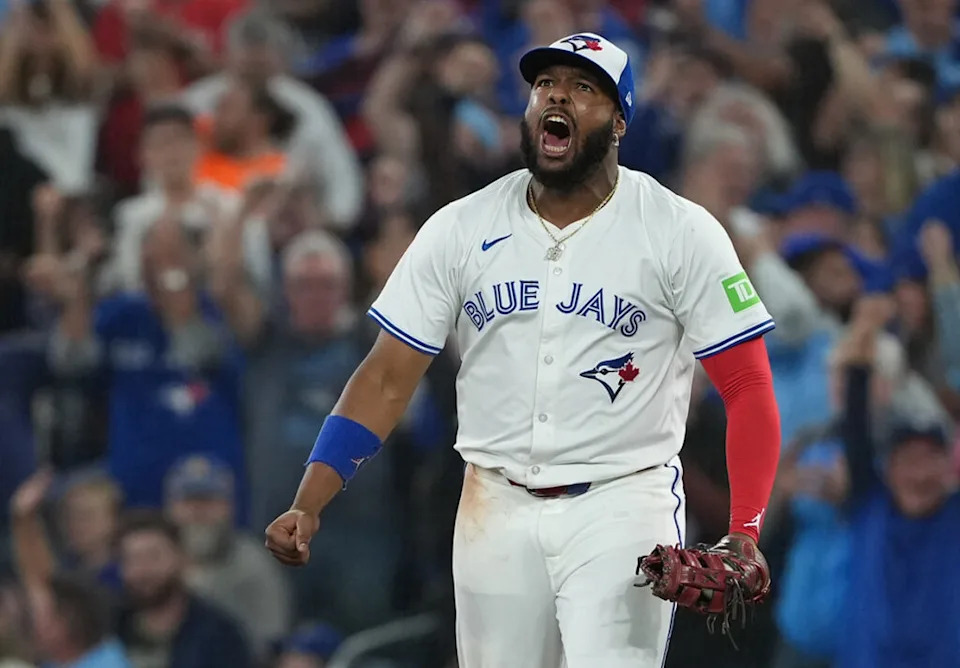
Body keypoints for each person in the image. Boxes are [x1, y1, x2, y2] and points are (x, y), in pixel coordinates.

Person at [265, 32, 781, 666]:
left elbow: (747, 385)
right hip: (494, 503)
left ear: (619, 120)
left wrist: (746, 528)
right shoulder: (462, 226)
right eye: (545, 86)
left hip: (622, 503)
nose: (557, 96)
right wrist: (309, 500)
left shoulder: (679, 230)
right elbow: (386, 377)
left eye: (583, 88)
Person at [164, 454, 290, 658]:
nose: (198, 512)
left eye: (208, 501)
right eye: (189, 501)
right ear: (170, 506)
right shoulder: (151, 560)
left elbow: (270, 645)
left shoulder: (253, 565)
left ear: (229, 506)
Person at [115, 511, 252, 668]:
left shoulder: (220, 636)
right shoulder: (108, 629)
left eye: (153, 556)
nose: (142, 571)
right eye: (132, 560)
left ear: (182, 558)